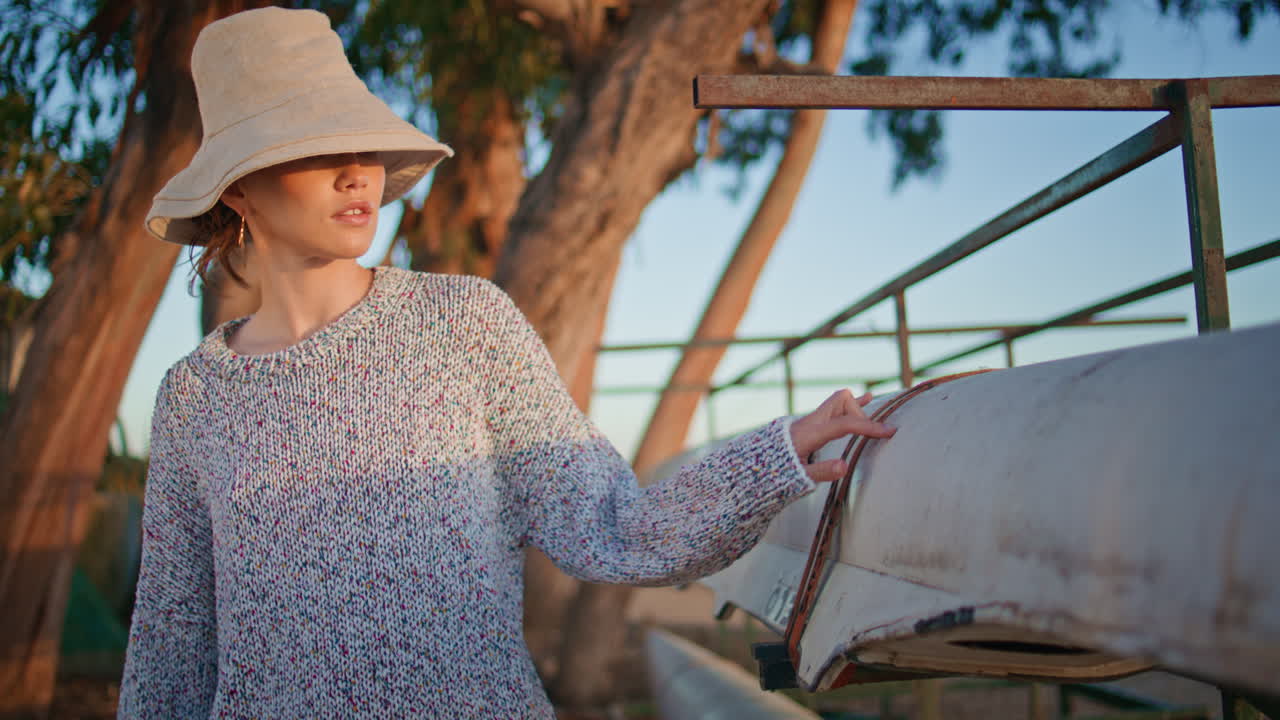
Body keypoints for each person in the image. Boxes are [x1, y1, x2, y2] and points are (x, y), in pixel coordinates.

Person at [118, 6, 896, 719]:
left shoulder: (463, 324)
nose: (357, 170)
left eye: (362, 141)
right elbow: (171, 648)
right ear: (239, 190)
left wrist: (775, 456)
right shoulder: (195, 395)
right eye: (314, 147)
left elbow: (613, 527)